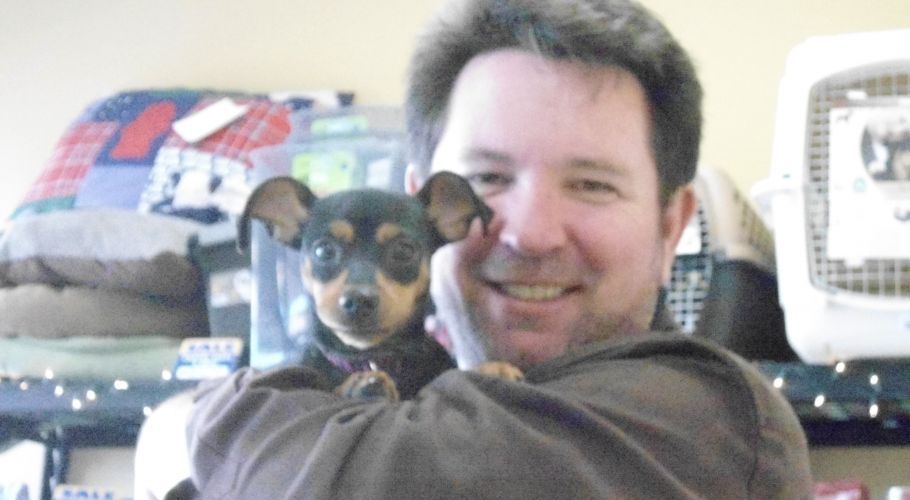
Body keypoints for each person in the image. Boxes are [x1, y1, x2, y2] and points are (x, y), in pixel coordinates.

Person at [176, 0, 813, 497]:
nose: (529, 233)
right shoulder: (418, 385)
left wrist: (188, 429)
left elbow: (333, 486)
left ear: (671, 226)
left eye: (592, 184)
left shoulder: (706, 416)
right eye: (487, 180)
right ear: (422, 204)